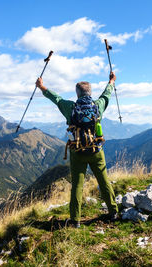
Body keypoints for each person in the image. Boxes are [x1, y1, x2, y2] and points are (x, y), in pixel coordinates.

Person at [36, 72, 119, 228]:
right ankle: (113, 212)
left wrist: (42, 87)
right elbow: (107, 94)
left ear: (77, 93)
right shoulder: (98, 105)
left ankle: (75, 220)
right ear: (90, 93)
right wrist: (111, 81)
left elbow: (56, 98)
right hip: (96, 150)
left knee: (77, 186)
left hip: (77, 152)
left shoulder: (71, 107)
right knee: (103, 181)